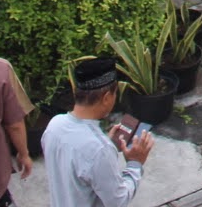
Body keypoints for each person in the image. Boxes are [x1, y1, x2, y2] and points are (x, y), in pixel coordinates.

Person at [41, 55, 154, 207]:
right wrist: (135, 163)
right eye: (115, 94)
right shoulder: (99, 149)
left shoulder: (54, 125)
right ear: (107, 97)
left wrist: (107, 144)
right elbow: (118, 200)